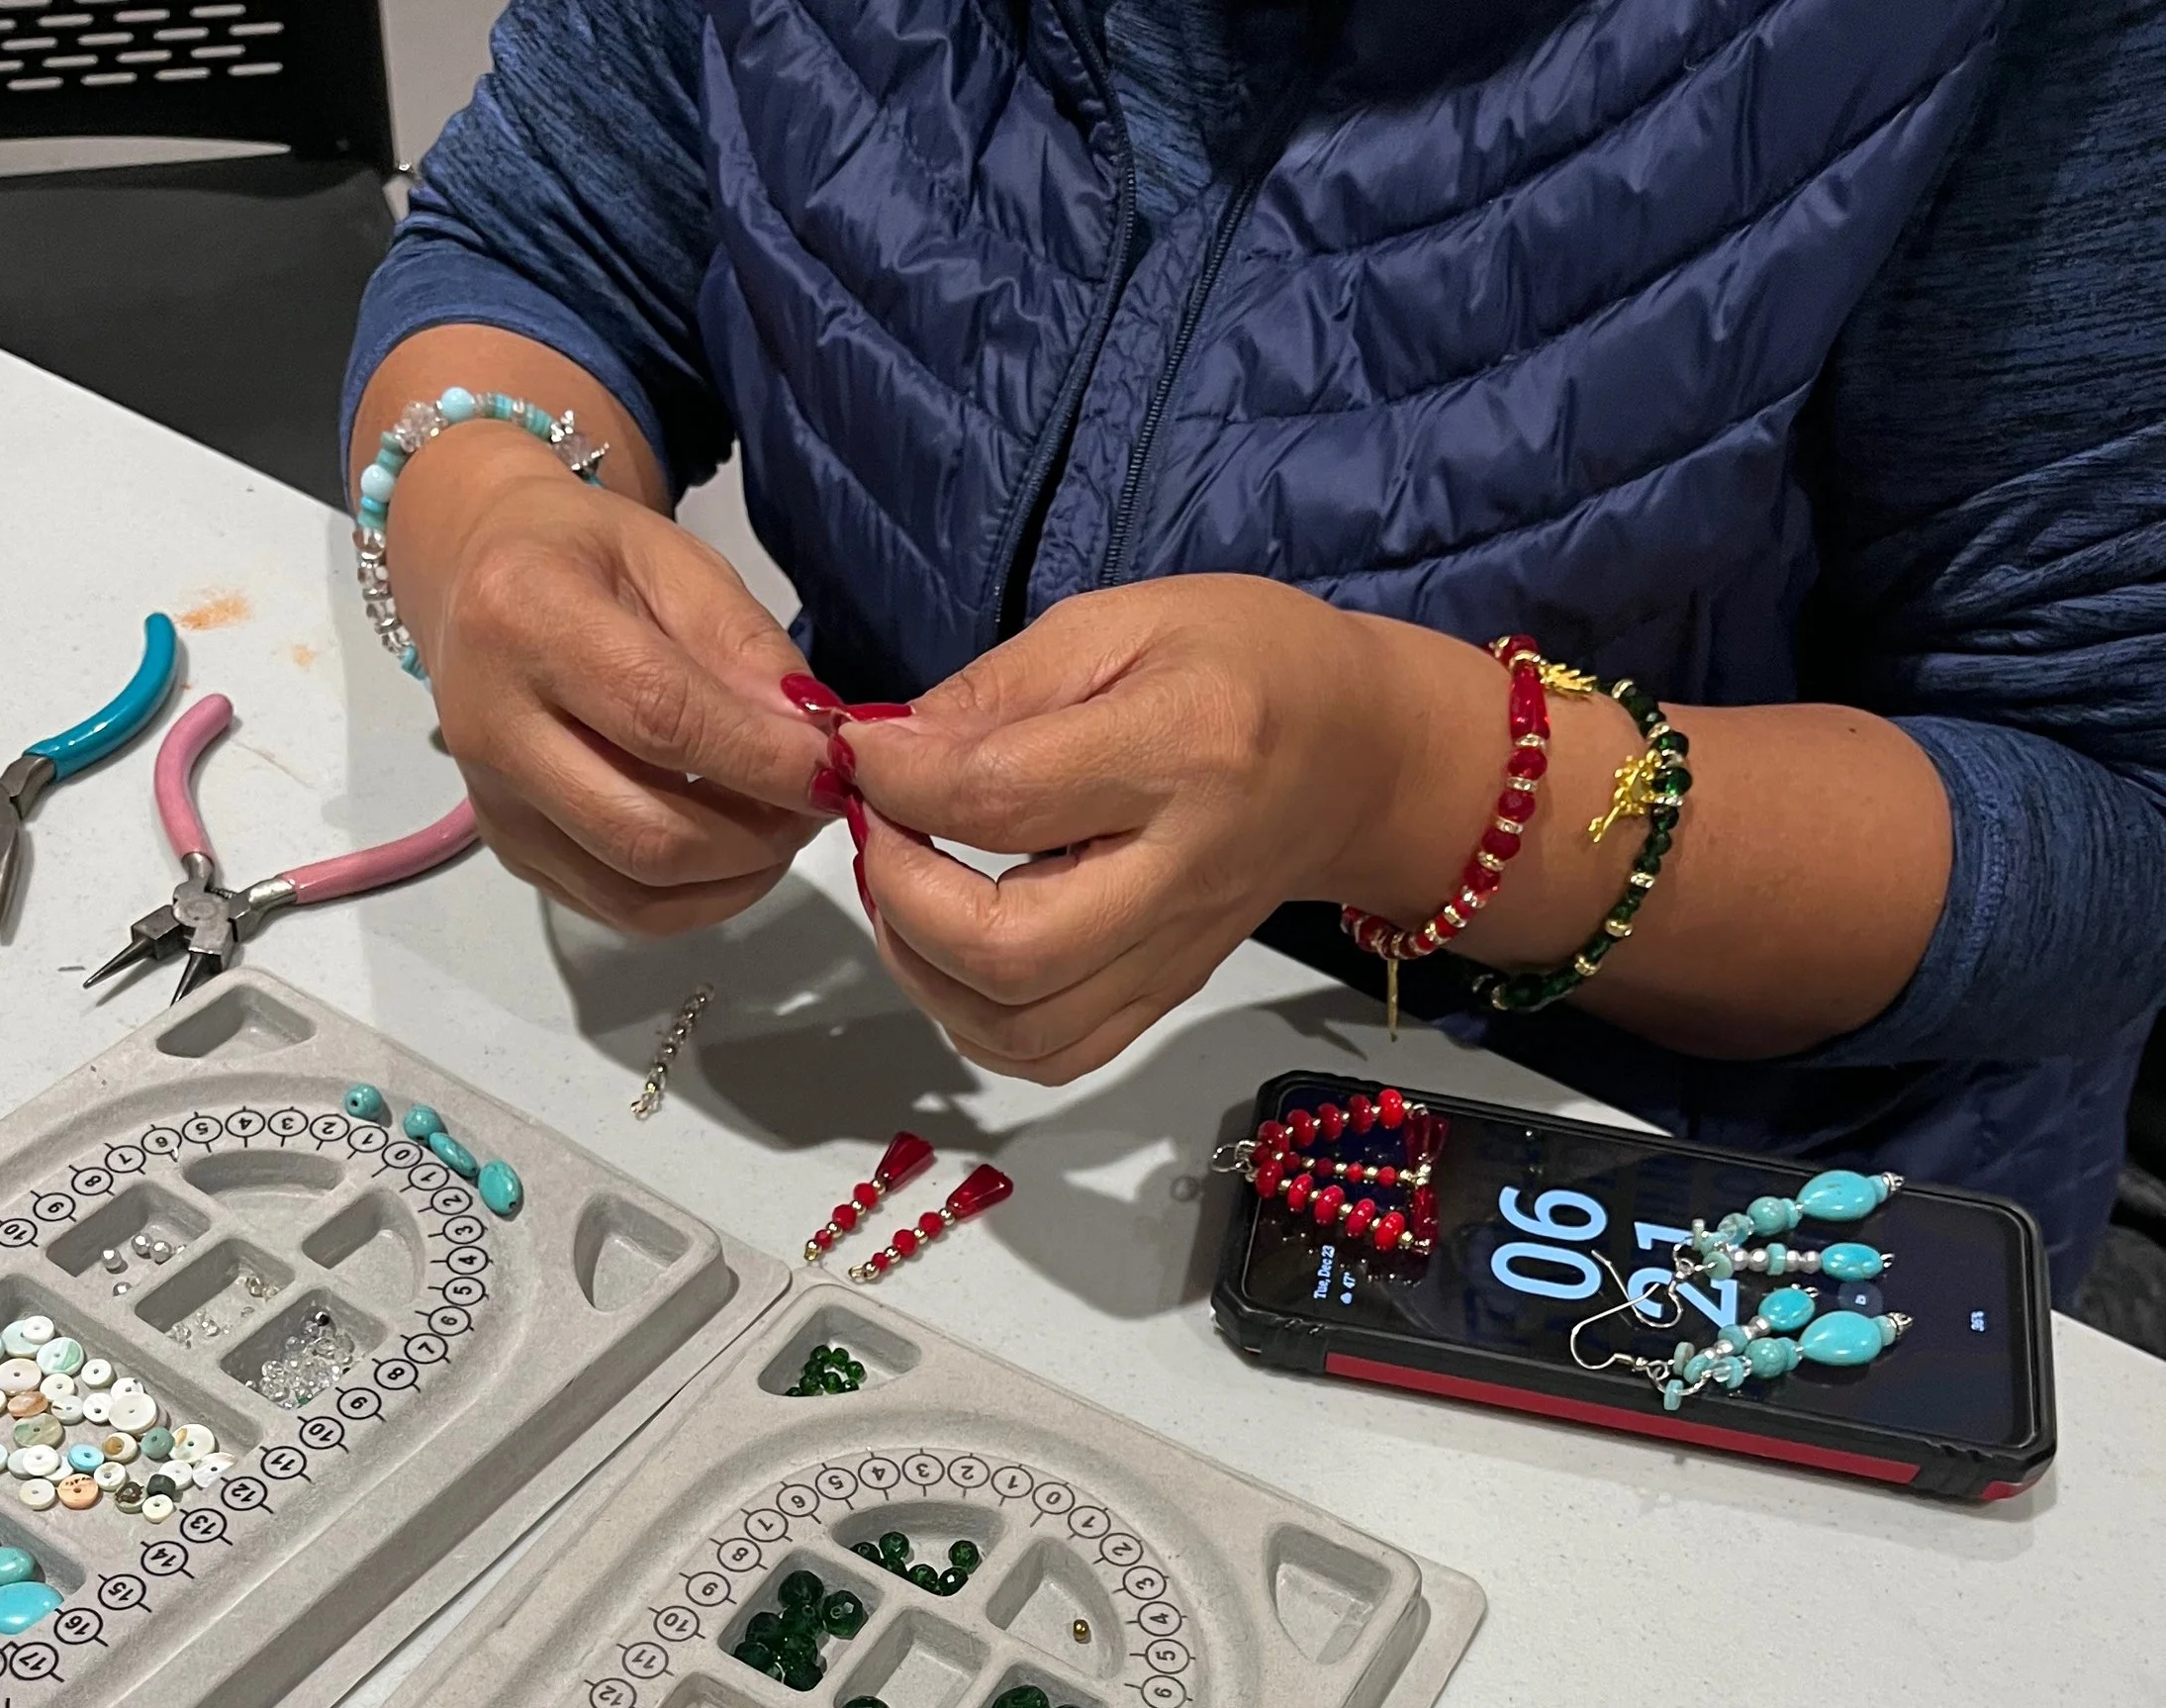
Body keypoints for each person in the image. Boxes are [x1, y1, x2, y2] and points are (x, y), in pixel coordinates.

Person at [343, 0, 2166, 1296]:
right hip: (944, 1131)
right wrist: (480, 514)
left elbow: (2098, 828)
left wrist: (1424, 782)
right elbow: (541, 243)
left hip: (1667, 1252)